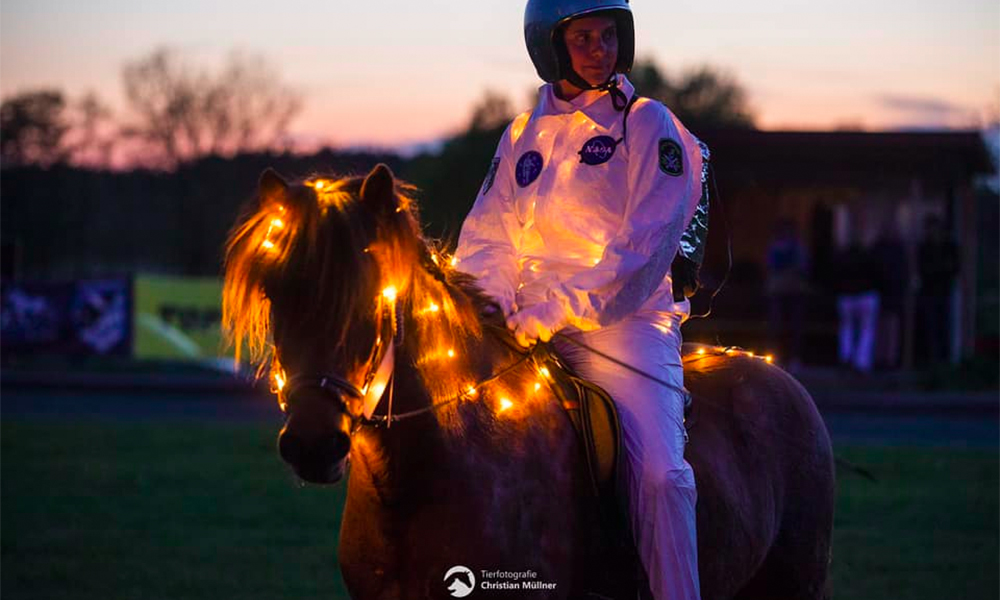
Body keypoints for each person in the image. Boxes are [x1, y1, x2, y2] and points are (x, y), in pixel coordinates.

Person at [455, 1, 705, 598]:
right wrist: (492, 305)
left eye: (609, 35)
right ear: (549, 46)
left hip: (626, 326)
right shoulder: (519, 135)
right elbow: (488, 237)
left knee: (661, 477)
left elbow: (643, 249)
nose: (601, 49)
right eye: (584, 38)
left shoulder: (648, 124)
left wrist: (555, 309)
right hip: (519, 324)